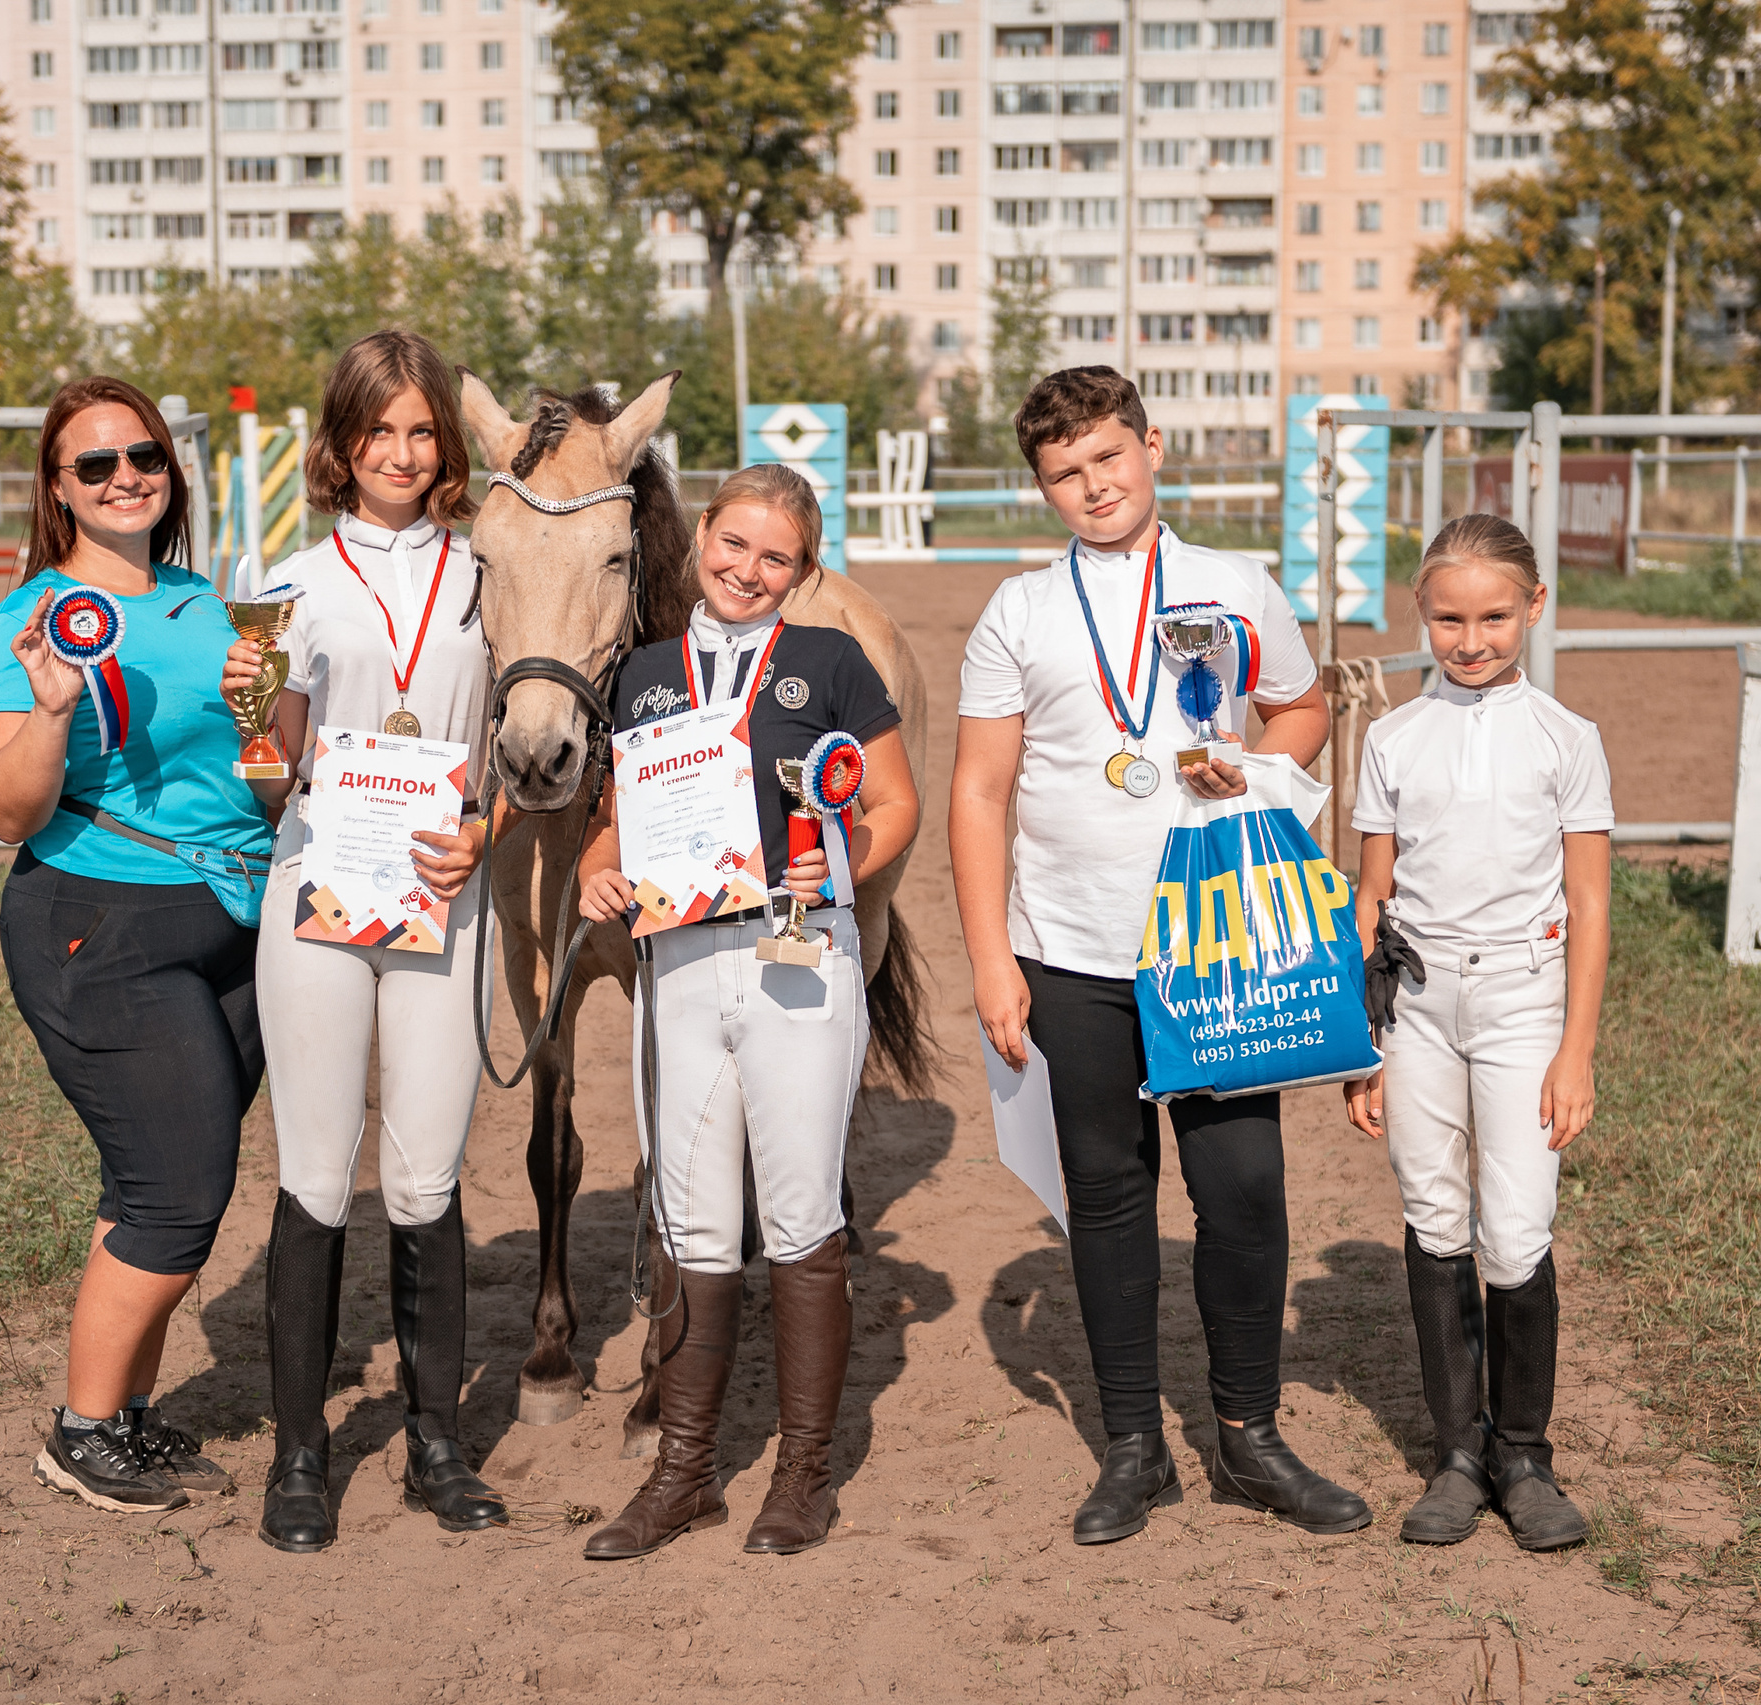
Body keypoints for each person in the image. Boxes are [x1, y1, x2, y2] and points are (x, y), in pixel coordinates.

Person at [952, 366, 1368, 1545]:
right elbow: (979, 792)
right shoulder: (1020, 611)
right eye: (1063, 474)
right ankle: (1133, 1443)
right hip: (1073, 951)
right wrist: (993, 957)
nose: (1092, 486)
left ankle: (1249, 1436)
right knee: (1107, 1193)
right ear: (1042, 488)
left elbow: (1299, 707)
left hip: (1219, 941)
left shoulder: (1233, 584)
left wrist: (1260, 767)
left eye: (1107, 457)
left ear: (1152, 446)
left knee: (1241, 1191)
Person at [573, 464, 920, 1560]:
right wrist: (594, 869)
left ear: (801, 572)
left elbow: (894, 800)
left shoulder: (828, 662)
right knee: (691, 1224)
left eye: (776, 558)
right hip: (677, 968)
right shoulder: (644, 674)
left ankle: (803, 1476)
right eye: (733, 546)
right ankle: (684, 1474)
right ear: (701, 540)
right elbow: (615, 820)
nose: (747, 571)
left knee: (801, 1215)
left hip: (797, 962)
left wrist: (845, 866)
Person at [217, 329, 509, 1551]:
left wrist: (484, 828)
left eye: (420, 430)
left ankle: (436, 1442)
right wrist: (257, 725)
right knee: (318, 1176)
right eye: (376, 430)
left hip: (444, 893)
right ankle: (300, 1456)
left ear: (443, 442)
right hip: (321, 901)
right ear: (339, 445)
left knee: (430, 1179)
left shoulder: (491, 573)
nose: (399, 452)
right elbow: (268, 780)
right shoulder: (290, 578)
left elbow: (512, 742)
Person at [0, 375, 273, 1516]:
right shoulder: (28, 623)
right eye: (93, 464)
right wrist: (49, 709)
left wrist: (265, 709)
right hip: (101, 927)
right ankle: (80, 1432)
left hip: (234, 924)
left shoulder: (212, 607)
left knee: (145, 1178)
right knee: (184, 1192)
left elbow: (265, 781)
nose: (124, 476)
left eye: (141, 454)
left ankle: (130, 1419)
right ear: (58, 488)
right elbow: (7, 811)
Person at [1343, 512, 1611, 1553]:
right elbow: (1372, 899)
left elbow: (1588, 903)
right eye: (1449, 618)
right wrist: (1360, 1044)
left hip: (1520, 1003)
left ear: (1533, 608)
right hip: (1416, 1005)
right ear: (1422, 615)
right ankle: (1457, 1450)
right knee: (1434, 1208)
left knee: (1516, 1224)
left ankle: (1525, 1452)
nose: (1471, 639)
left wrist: (1574, 1048)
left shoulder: (1565, 739)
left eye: (1494, 616)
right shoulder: (1394, 738)